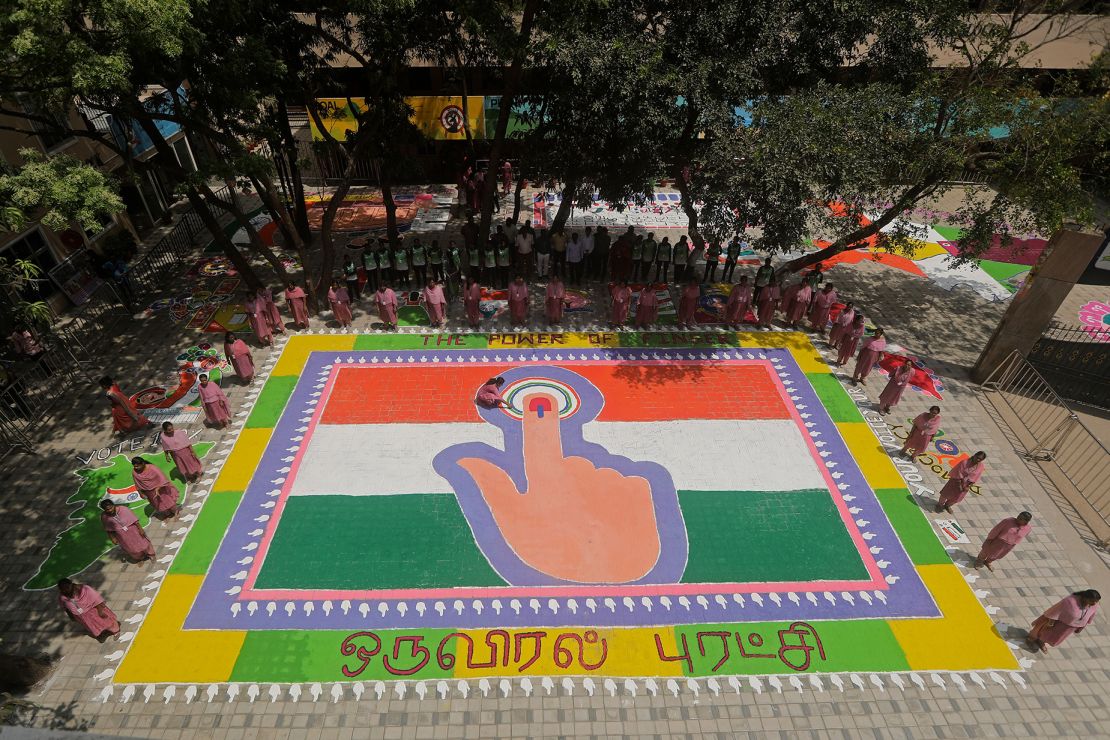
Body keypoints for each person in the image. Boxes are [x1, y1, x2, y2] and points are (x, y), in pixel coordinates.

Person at [1028, 590, 1100, 653]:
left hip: (1070, 627)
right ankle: (1037, 639)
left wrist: (1081, 627)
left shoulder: (1094, 605)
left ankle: (1042, 642)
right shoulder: (1069, 601)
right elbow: (1056, 611)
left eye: (1096, 601)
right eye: (1092, 601)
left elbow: (1090, 616)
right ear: (1085, 597)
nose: (1094, 603)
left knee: (1053, 638)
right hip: (1059, 623)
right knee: (1045, 633)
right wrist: (1050, 623)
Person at [99, 499, 154, 563]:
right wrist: (113, 538)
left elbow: (135, 520)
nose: (110, 510)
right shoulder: (104, 517)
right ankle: (140, 558)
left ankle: (151, 555)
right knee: (131, 548)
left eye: (111, 508)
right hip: (122, 536)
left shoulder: (124, 509)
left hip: (134, 531)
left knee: (144, 544)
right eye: (107, 509)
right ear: (104, 510)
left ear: (113, 505)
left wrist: (140, 529)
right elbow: (108, 529)